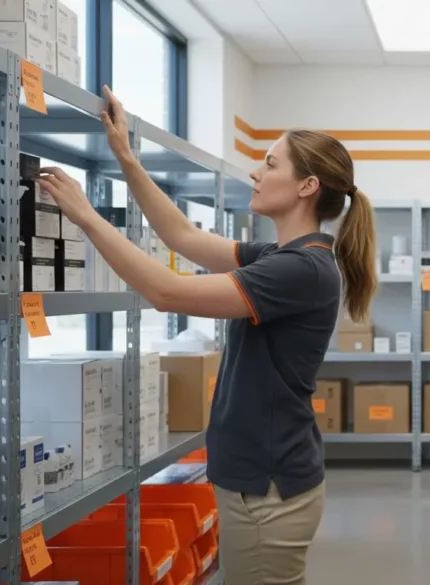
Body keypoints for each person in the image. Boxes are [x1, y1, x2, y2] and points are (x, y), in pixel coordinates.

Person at [36, 87, 378, 585]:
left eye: (270, 163)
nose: (256, 173)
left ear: (307, 186)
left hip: (268, 488)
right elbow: (184, 238)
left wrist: (87, 216)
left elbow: (167, 292)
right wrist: (127, 159)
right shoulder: (281, 257)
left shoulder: (302, 269)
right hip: (262, 479)